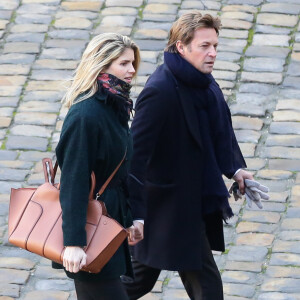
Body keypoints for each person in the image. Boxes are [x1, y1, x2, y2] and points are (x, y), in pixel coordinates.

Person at [122, 12, 254, 300]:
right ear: (181, 47)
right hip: (164, 210)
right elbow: (135, 157)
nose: (213, 53)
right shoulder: (161, 91)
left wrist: (236, 170)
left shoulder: (203, 82)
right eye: (205, 46)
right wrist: (137, 215)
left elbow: (218, 132)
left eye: (215, 46)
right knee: (203, 287)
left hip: (189, 204)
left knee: (137, 281)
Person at [54, 33, 143, 300]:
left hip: (108, 226)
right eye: (124, 63)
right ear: (101, 66)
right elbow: (74, 181)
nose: (132, 70)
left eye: (132, 63)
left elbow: (118, 172)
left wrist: (131, 219)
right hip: (91, 232)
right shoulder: (86, 115)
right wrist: (73, 242)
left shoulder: (115, 107)